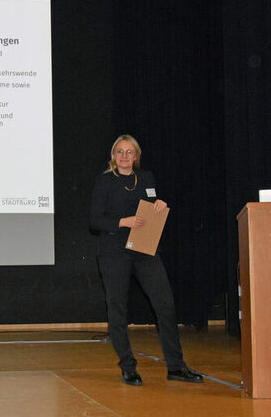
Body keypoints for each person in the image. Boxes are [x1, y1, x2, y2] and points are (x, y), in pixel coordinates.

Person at [89, 134, 203, 386]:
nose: (124, 156)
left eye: (129, 152)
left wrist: (158, 206)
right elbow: (95, 220)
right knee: (118, 309)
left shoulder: (147, 178)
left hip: (144, 250)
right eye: (120, 151)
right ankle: (128, 367)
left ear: (136, 155)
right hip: (114, 252)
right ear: (113, 155)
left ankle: (175, 366)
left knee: (165, 305)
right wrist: (122, 222)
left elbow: (150, 208)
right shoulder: (105, 181)